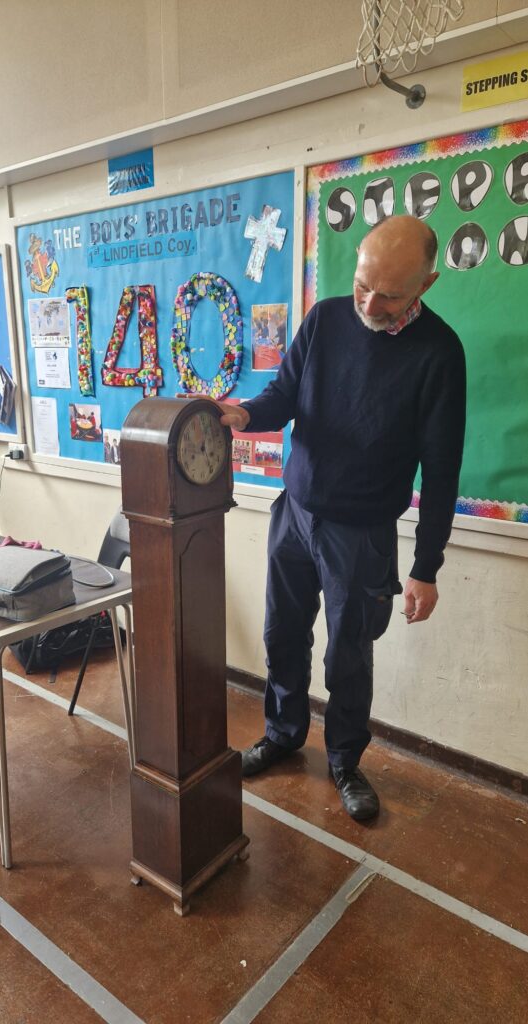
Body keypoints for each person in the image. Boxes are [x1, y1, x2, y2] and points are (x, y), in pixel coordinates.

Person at [220, 215, 466, 822]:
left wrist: (425, 567)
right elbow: (282, 396)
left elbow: (440, 472)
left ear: (426, 284)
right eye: (362, 285)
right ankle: (281, 735)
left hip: (362, 534)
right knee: (282, 634)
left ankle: (345, 761)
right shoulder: (327, 318)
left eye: (388, 294)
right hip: (295, 513)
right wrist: (243, 416)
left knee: (348, 655)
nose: (370, 303)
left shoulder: (439, 353)